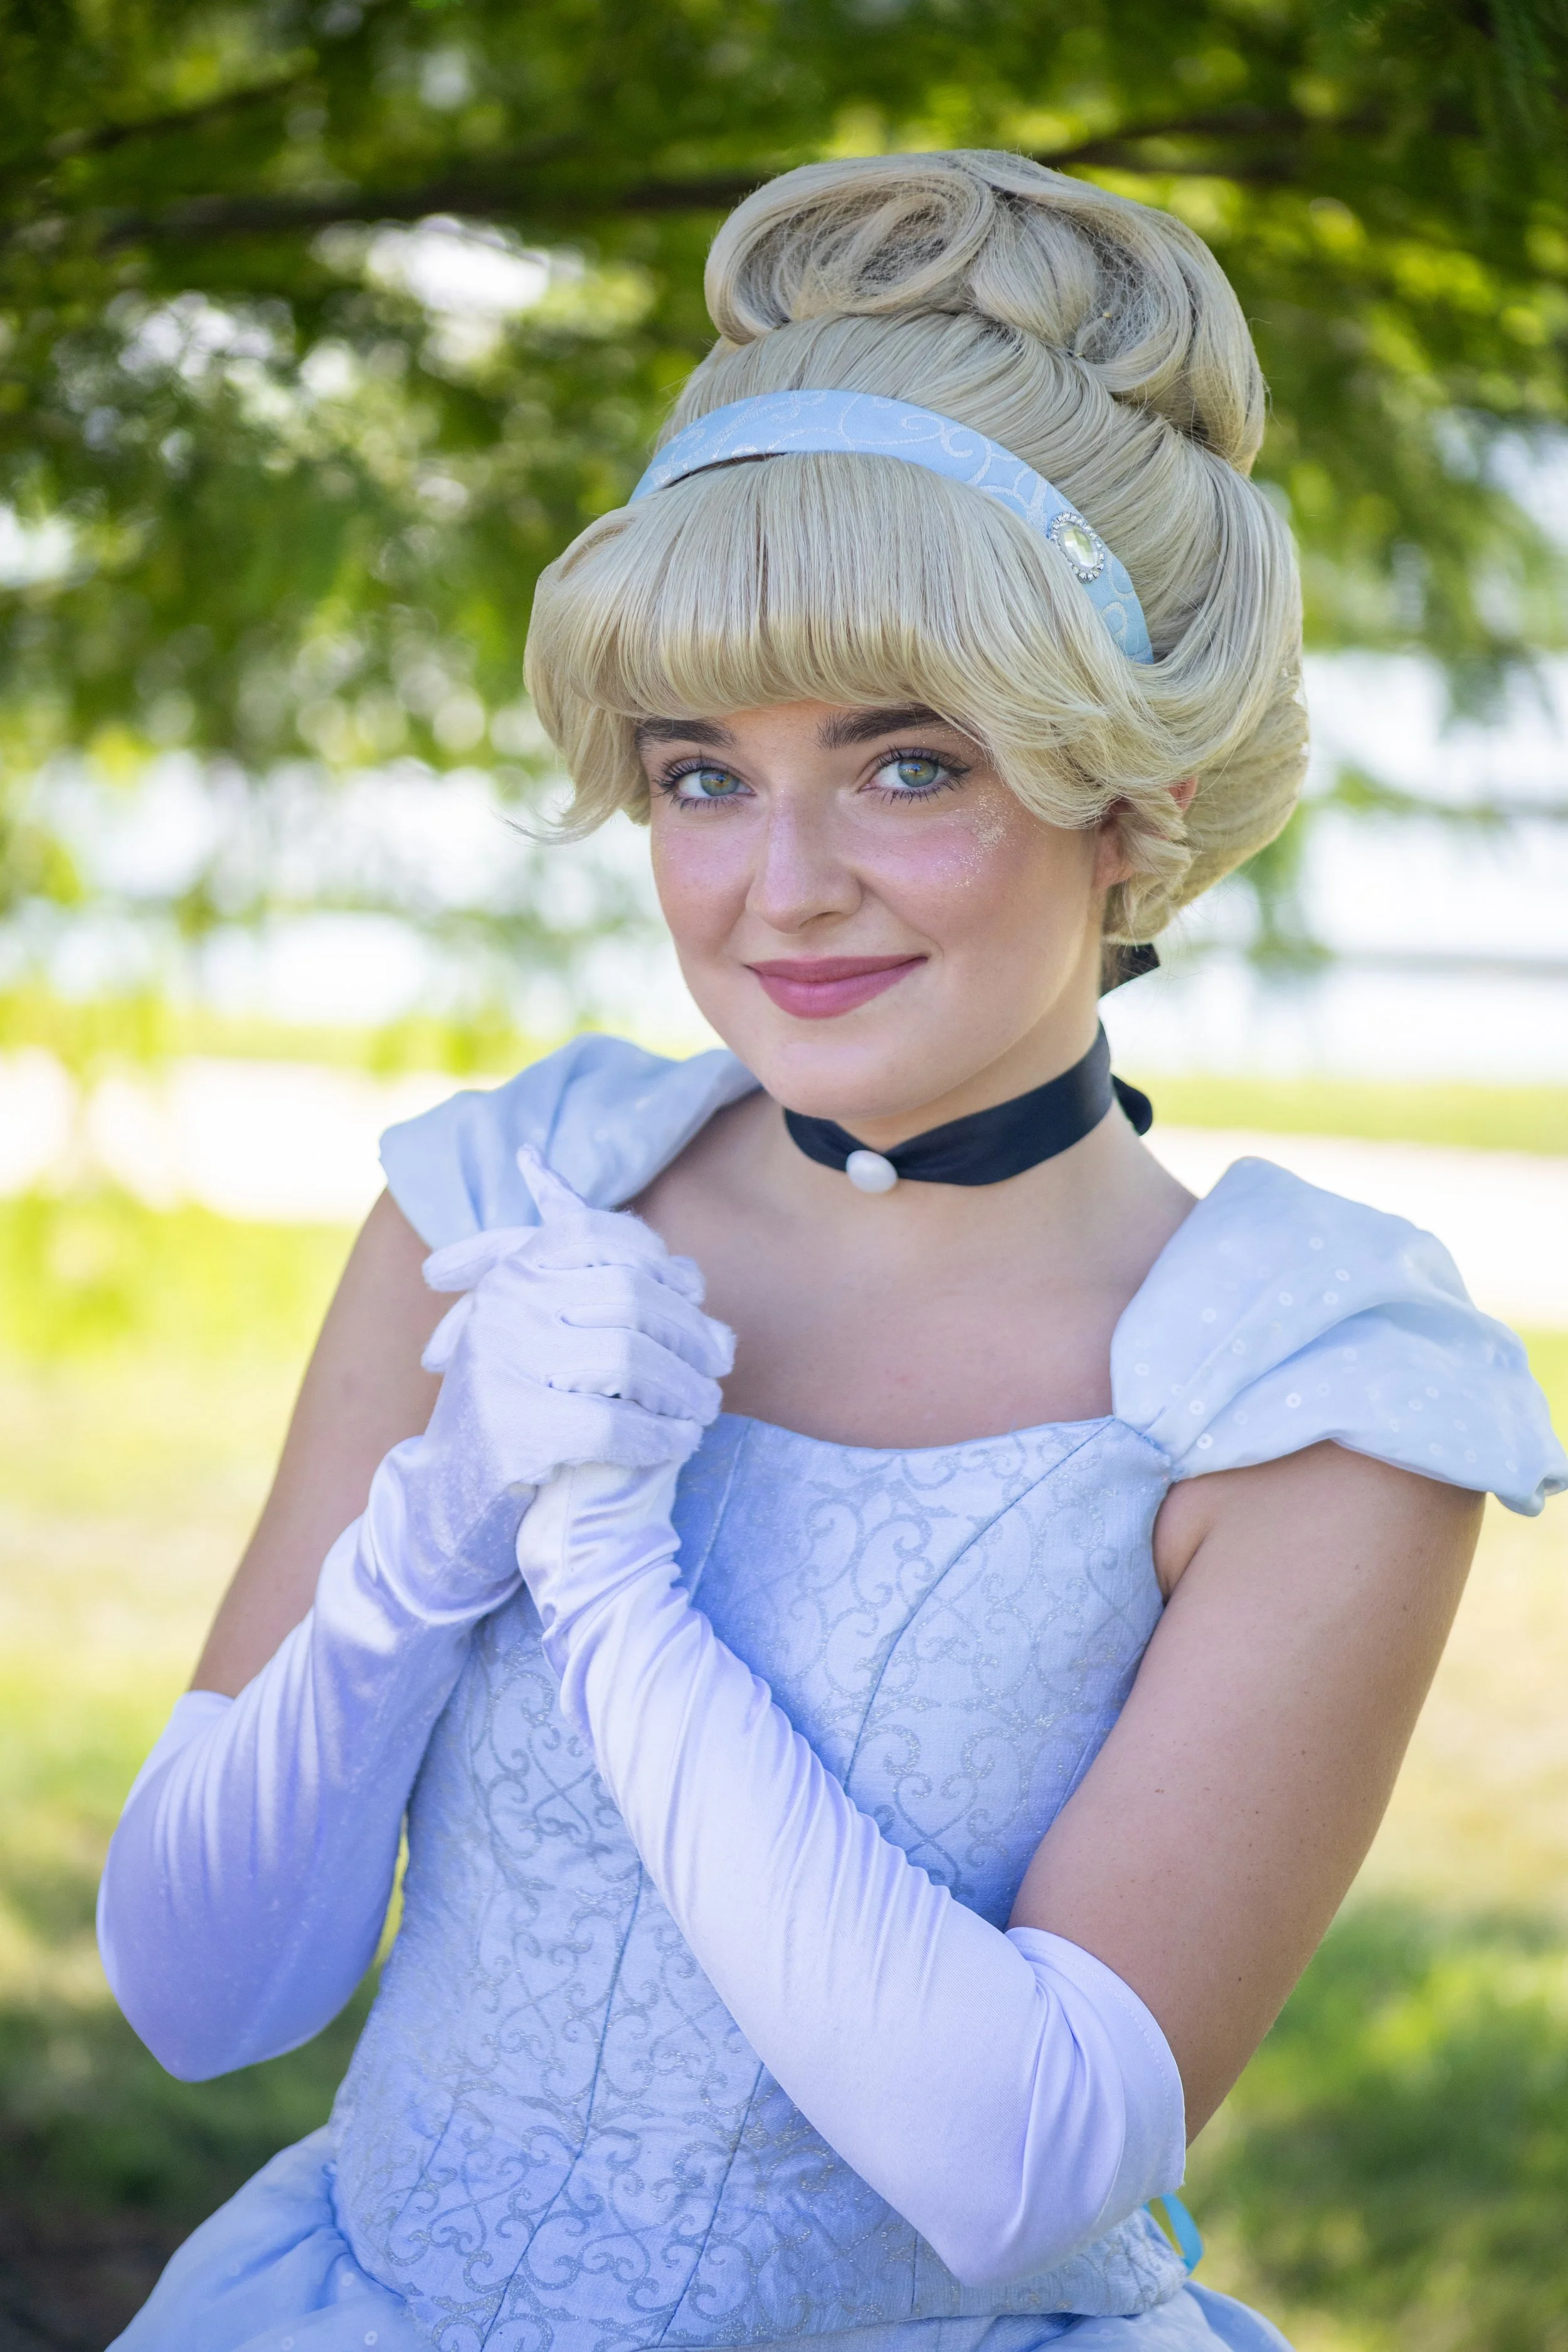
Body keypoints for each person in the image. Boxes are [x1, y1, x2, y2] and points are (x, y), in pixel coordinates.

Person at [98, 151, 1565, 2352]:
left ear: (1133, 802)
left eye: (905, 765)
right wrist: (432, 1527)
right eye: (700, 775)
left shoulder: (1308, 1390)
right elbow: (205, 1995)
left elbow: (1022, 2156)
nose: (775, 888)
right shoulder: (502, 1202)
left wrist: (600, 1567)